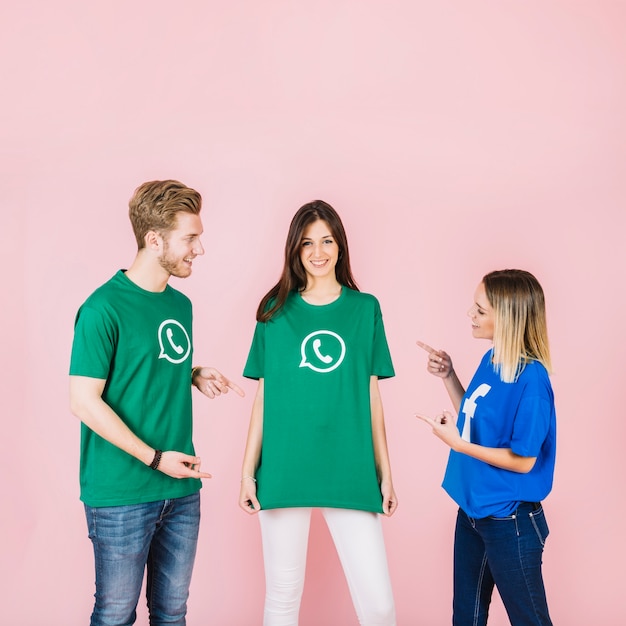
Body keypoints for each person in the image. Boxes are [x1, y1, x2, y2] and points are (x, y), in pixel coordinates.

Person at [69, 180, 244, 626]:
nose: (199, 249)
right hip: (122, 494)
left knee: (172, 613)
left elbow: (141, 366)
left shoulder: (180, 305)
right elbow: (84, 401)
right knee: (114, 615)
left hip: (181, 490)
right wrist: (154, 458)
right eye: (190, 237)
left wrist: (190, 373)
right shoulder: (102, 308)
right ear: (154, 239)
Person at [239, 200, 398, 626]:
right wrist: (247, 473)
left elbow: (372, 397)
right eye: (307, 243)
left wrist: (385, 473)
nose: (318, 252)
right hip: (285, 467)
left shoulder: (365, 310)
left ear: (340, 246)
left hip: (349, 467)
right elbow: (263, 398)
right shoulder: (274, 310)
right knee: (283, 598)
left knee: (379, 605)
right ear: (295, 250)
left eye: (327, 240)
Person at [416, 269, 556, 626]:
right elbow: (474, 416)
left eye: (479, 310)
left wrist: (458, 445)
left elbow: (523, 461)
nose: (470, 315)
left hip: (511, 521)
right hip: (473, 513)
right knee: (467, 617)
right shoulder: (492, 360)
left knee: (530, 620)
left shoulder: (532, 380)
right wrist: (448, 375)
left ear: (506, 318)